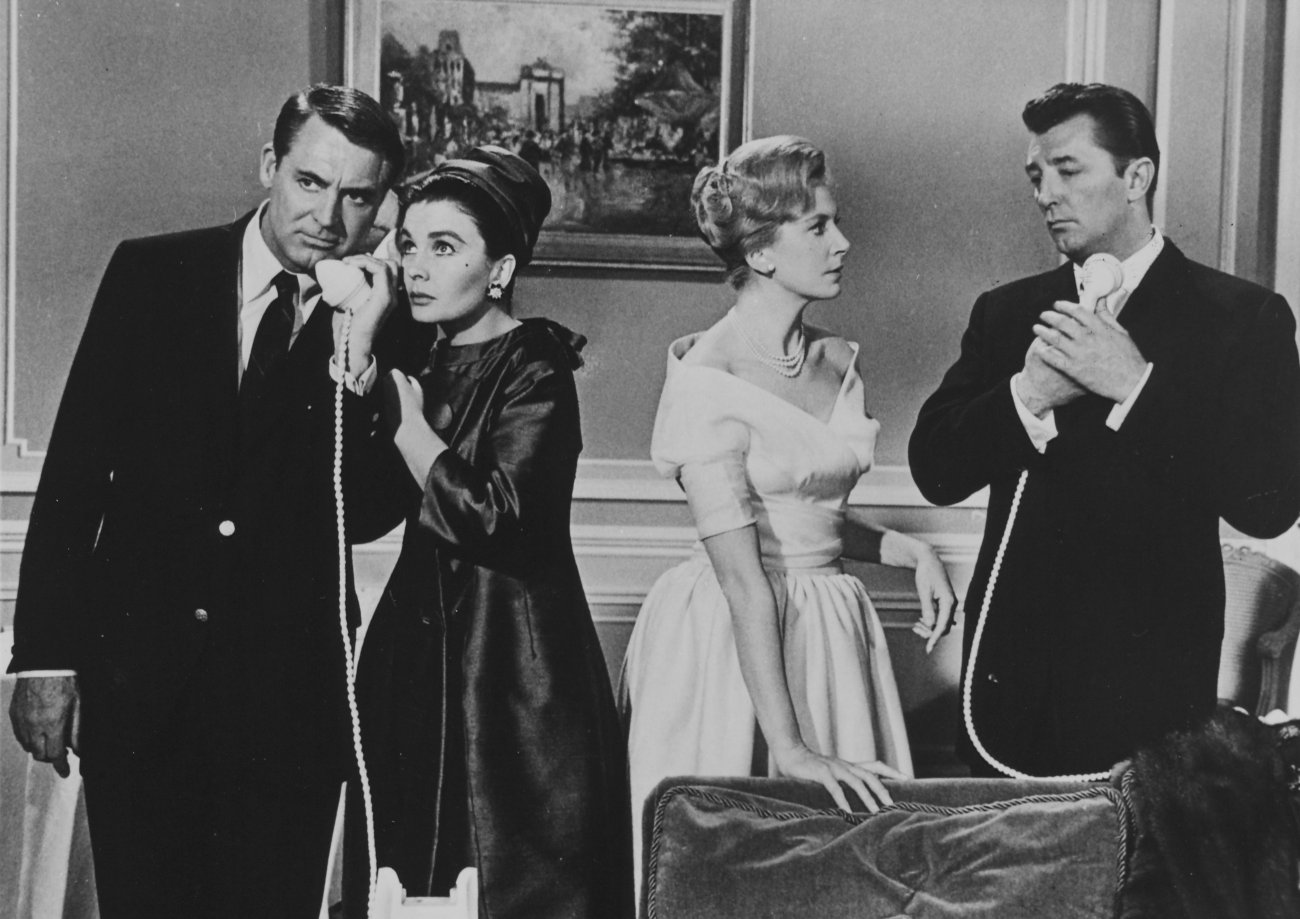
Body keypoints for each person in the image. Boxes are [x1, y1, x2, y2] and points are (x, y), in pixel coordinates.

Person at [6, 84, 406, 917]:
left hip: (286, 705)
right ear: (269, 167)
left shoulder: (384, 318)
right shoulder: (154, 272)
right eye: (309, 182)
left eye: (357, 196)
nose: (329, 217)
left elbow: (367, 510)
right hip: (140, 685)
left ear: (380, 206)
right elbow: (76, 470)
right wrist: (44, 655)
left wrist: (360, 359)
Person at [909, 83, 1300, 780]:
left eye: (1068, 170)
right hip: (1014, 679)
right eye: (1037, 176)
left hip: (1149, 685)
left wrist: (1138, 387)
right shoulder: (1008, 312)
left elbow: (1267, 503)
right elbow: (935, 469)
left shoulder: (1241, 318)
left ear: (1136, 177)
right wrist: (1029, 395)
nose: (1046, 194)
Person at [621, 135, 957, 878]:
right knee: (728, 870)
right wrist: (792, 745)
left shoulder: (835, 360)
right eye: (819, 226)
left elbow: (808, 514)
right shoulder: (707, 380)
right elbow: (745, 579)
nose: (843, 243)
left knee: (847, 870)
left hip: (829, 630)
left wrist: (912, 551)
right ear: (763, 253)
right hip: (730, 639)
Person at [340, 146, 633, 919]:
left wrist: (408, 429)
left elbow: (500, 519)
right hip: (416, 665)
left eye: (445, 247)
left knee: (512, 887)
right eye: (408, 245)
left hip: (510, 675)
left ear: (500, 269)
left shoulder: (535, 363)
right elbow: (360, 512)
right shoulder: (417, 361)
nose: (416, 267)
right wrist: (363, 357)